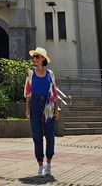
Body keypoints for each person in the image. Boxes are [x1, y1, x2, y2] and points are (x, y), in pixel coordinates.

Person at [24, 47, 60, 178]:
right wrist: (27, 108)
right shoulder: (30, 74)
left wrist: (56, 108)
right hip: (35, 104)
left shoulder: (50, 74)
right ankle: (40, 165)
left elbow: (54, 91)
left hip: (49, 105)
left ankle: (48, 164)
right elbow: (27, 92)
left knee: (50, 136)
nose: (35, 59)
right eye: (34, 57)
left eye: (37, 57)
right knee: (37, 136)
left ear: (43, 59)